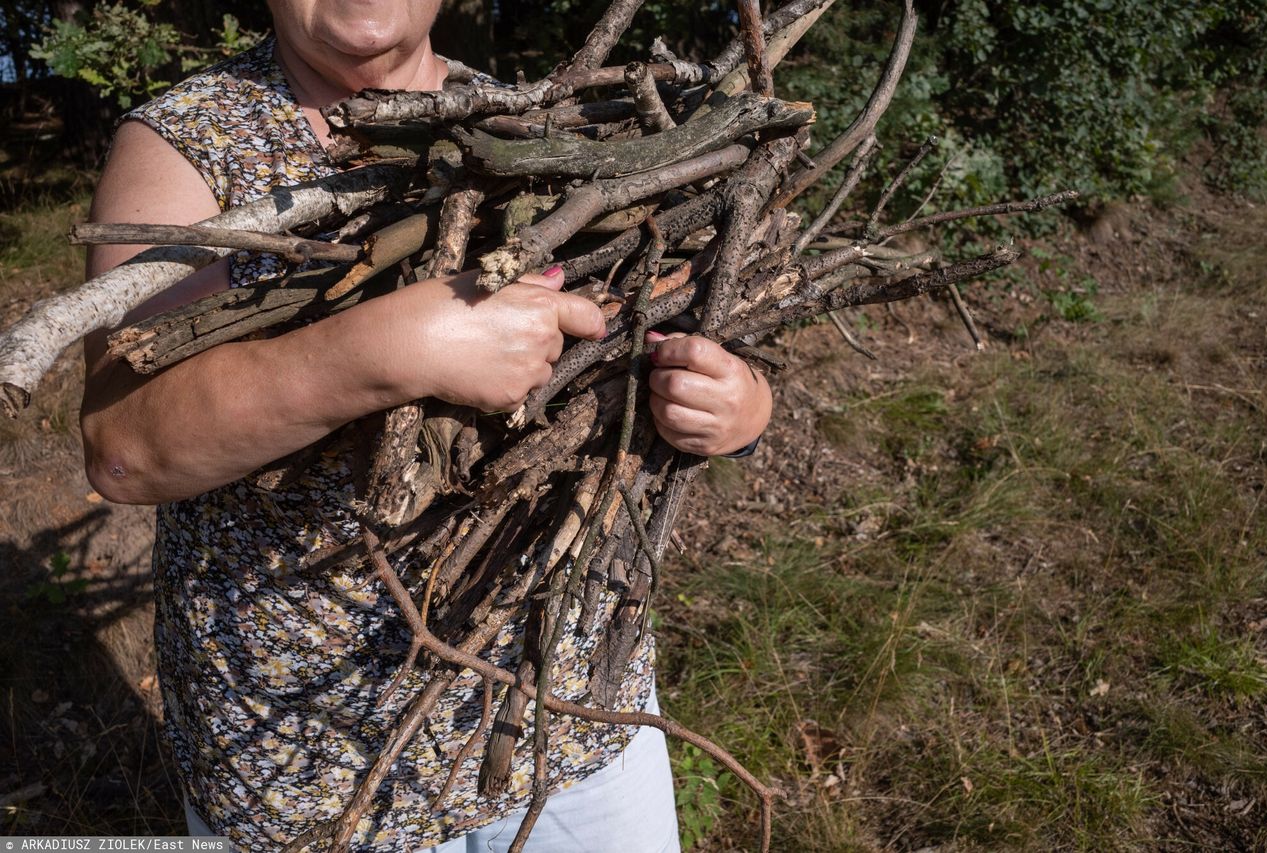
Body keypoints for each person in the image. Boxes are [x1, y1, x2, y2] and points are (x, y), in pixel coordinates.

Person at [79, 1, 773, 850]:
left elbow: (652, 324)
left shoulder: (529, 113)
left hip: (573, 710)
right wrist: (396, 345)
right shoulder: (188, 142)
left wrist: (735, 407)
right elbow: (126, 447)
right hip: (312, 757)